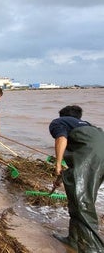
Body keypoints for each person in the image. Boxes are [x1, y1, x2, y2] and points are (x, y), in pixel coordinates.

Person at [49, 105, 104, 252]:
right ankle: (73, 240)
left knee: (82, 203)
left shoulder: (58, 122)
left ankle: (94, 248)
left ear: (63, 116)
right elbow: (79, 160)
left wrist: (58, 163)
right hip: (99, 158)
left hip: (91, 158)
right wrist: (62, 177)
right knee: (78, 198)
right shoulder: (89, 126)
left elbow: (61, 139)